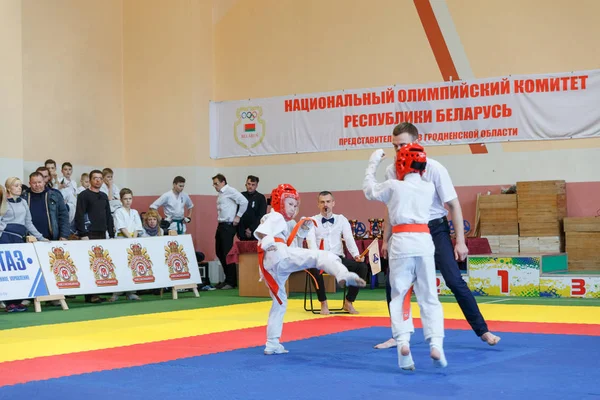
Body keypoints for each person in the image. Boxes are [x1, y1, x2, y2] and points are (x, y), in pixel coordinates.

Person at [375, 122, 500, 349]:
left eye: (402, 145)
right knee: (393, 282)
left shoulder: (434, 168)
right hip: (405, 231)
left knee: (453, 279)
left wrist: (460, 241)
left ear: (416, 142)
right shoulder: (392, 170)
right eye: (394, 146)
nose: (397, 150)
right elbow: (389, 207)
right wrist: (386, 239)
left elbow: (453, 205)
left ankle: (483, 331)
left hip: (434, 228)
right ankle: (398, 335)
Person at [254, 183, 366, 355]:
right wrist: (267, 243)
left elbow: (294, 237)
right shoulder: (274, 217)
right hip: (279, 256)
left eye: (295, 205)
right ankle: (342, 273)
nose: (293, 209)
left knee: (279, 303)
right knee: (320, 256)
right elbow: (261, 233)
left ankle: (272, 343)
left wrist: (303, 228)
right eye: (290, 204)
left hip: (273, 265)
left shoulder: (284, 221)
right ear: (279, 202)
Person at [364, 145, 446, 370]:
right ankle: (436, 343)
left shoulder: (394, 186)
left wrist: (373, 163)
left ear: (401, 165)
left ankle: (402, 343)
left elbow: (369, 191)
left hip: (401, 241)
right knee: (429, 296)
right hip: (424, 241)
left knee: (399, 295)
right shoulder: (429, 188)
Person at [306, 191, 368, 314]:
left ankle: (349, 302)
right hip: (321, 258)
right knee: (314, 269)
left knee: (362, 267)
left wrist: (356, 255)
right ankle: (323, 302)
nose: (326, 205)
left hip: (338, 259)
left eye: (328, 201)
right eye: (322, 202)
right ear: (318, 204)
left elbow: (349, 239)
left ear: (333, 203)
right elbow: (311, 241)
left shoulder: (341, 219)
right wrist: (316, 257)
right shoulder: (311, 221)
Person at [212, 173, 248, 289]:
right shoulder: (221, 194)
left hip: (228, 225)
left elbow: (244, 201)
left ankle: (232, 281)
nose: (215, 186)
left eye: (216, 183)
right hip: (221, 225)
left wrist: (238, 216)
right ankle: (227, 278)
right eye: (214, 184)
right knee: (219, 252)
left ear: (223, 182)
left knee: (227, 253)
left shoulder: (230, 190)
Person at [237, 175, 267, 241]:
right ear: (246, 184)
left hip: (255, 232)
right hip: (242, 232)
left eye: (253, 185)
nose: (250, 186)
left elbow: (262, 215)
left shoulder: (260, 198)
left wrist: (251, 229)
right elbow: (237, 213)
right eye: (249, 184)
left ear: (256, 186)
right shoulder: (241, 196)